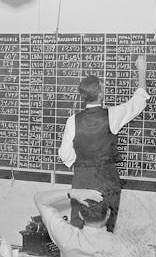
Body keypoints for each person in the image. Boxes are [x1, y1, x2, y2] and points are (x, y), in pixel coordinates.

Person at [58, 54, 149, 232]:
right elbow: (139, 101)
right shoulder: (112, 115)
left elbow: (65, 154)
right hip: (107, 179)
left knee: (78, 227)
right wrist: (141, 71)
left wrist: (84, 163)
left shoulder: (72, 120)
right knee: (106, 227)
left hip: (82, 179)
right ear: (100, 94)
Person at [33, 188, 156, 257]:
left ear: (80, 215)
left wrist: (73, 193)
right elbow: (154, 255)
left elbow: (39, 199)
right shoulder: (123, 245)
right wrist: (151, 249)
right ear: (108, 215)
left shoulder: (66, 237)